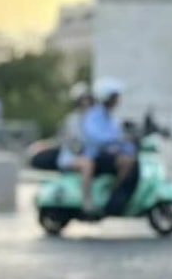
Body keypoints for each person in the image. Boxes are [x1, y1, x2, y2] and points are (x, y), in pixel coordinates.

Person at [81, 79, 138, 215]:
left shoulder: (110, 117)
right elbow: (94, 137)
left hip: (109, 155)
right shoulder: (93, 115)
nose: (118, 100)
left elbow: (120, 140)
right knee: (125, 162)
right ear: (108, 98)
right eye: (115, 97)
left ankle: (117, 197)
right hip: (96, 156)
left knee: (131, 160)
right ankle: (111, 194)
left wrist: (130, 146)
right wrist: (117, 140)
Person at [56, 83, 98, 211]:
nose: (86, 103)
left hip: (87, 153)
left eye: (88, 100)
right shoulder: (71, 119)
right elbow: (73, 143)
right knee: (87, 165)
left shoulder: (94, 119)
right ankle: (86, 199)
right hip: (72, 156)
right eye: (83, 101)